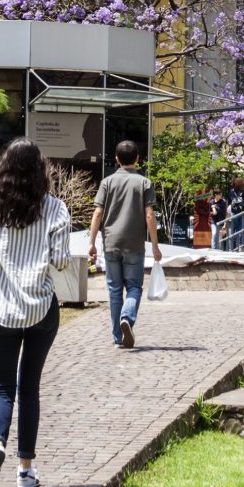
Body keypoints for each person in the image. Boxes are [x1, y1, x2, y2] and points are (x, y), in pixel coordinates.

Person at [0, 138, 71, 487]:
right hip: (41, 308)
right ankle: (25, 469)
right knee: (29, 388)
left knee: (1, 387)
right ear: (40, 170)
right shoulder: (56, 209)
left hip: (1, 306)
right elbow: (61, 261)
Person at [87, 140, 165, 349]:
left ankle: (117, 337)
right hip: (134, 245)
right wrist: (155, 246)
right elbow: (149, 215)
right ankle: (127, 318)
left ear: (116, 159)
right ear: (137, 160)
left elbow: (97, 213)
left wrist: (91, 243)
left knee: (114, 290)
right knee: (134, 287)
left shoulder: (107, 182)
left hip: (111, 242)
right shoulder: (144, 183)